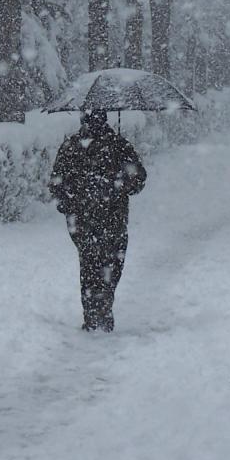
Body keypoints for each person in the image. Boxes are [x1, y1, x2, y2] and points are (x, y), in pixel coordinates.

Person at [49, 109, 147, 332]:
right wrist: (121, 183)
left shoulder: (71, 147)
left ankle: (94, 314)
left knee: (90, 266)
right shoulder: (118, 145)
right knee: (110, 266)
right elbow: (139, 179)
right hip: (112, 219)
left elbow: (56, 184)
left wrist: (69, 203)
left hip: (83, 221)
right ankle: (102, 310)